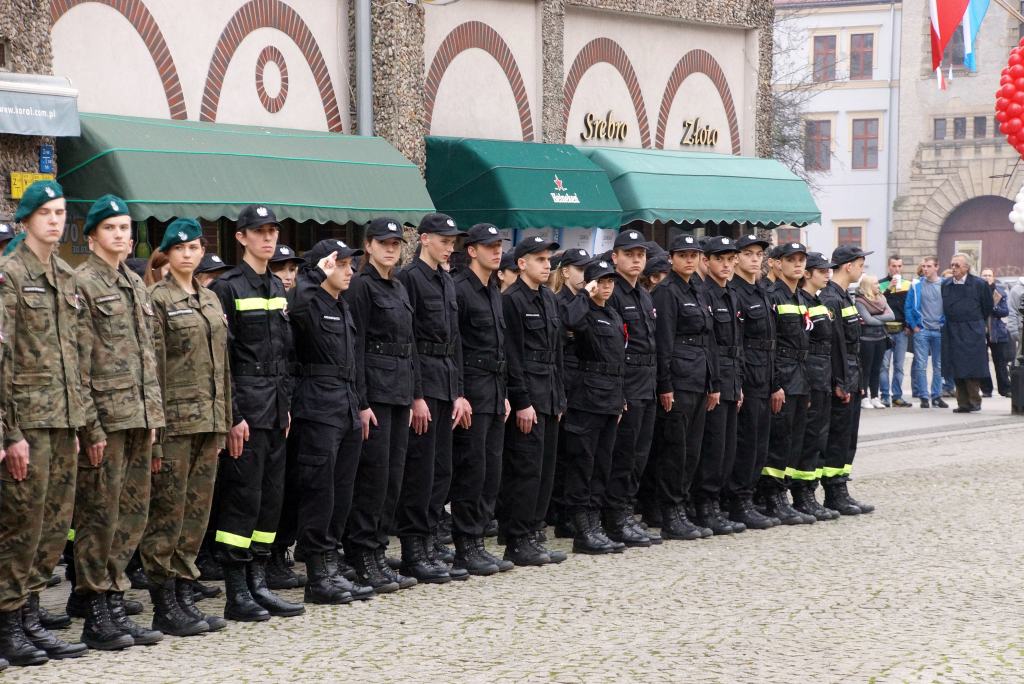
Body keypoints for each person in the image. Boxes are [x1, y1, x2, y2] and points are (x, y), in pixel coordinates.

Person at [0, 180, 87, 667]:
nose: (55, 221)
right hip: (27, 422)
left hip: (61, 420)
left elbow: (74, 356)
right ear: (26, 219)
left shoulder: (65, 276)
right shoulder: (9, 274)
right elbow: (3, 360)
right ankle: (8, 624)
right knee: (20, 527)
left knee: (52, 527)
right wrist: (9, 432)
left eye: (60, 213)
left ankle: (30, 617)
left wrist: (77, 424)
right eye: (46, 213)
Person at [72, 194, 165, 650]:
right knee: (99, 516)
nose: (121, 235)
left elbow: (149, 358)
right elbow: (78, 362)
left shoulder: (135, 284)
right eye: (111, 228)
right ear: (92, 235)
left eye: (126, 228)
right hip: (106, 421)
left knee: (132, 515)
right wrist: (89, 427)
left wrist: (154, 417)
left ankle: (114, 598)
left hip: (138, 417)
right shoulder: (82, 283)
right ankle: (94, 609)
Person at [208, 204, 303, 622]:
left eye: (272, 231)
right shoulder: (227, 288)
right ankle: (236, 591)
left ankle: (259, 583)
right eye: (259, 231)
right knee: (241, 499)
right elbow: (222, 359)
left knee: (270, 499)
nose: (268, 238)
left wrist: (286, 406)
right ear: (241, 237)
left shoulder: (277, 287)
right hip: (246, 408)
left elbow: (285, 354)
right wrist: (232, 416)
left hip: (275, 409)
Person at [140, 219, 230, 636]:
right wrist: (156, 435)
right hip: (175, 423)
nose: (188, 254)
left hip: (208, 421)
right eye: (180, 249)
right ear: (168, 254)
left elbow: (222, 366)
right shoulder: (156, 299)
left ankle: (183, 594)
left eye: (194, 247)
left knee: (196, 514)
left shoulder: (210, 298)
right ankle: (164, 603)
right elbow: (153, 369)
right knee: (168, 513)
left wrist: (223, 421)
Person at [283, 238, 378, 604]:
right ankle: (317, 576)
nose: (349, 271)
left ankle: (331, 566)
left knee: (341, 491)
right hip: (318, 406)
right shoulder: (309, 301)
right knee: (319, 492)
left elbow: (355, 359)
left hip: (346, 405)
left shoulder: (343, 304)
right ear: (324, 266)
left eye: (351, 265)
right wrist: (313, 275)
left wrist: (361, 404)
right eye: (341, 264)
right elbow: (295, 307)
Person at [342, 218, 419, 591]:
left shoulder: (399, 286)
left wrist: (414, 394)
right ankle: (361, 554)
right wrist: (361, 400)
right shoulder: (361, 286)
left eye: (396, 243)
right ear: (369, 246)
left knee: (392, 478)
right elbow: (355, 346)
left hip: (399, 392)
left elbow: (409, 344)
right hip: (375, 394)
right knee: (372, 479)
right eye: (384, 243)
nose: (391, 249)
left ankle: (377, 550)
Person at [395, 213, 472, 582]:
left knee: (441, 470)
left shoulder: (446, 279)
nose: (449, 247)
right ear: (424, 239)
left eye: (452, 241)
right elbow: (407, 339)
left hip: (445, 380)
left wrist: (459, 392)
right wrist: (417, 394)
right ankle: (414, 548)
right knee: (420, 471)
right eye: (444, 240)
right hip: (423, 381)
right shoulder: (410, 278)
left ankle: (429, 540)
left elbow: (455, 341)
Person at [449, 224, 514, 576]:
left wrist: (504, 394)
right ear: (472, 250)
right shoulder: (460, 288)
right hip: (472, 390)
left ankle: (478, 542)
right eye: (489, 246)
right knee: (471, 471)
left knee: (491, 471)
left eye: (499, 245)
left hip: (494, 390)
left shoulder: (493, 289)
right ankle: (465, 544)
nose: (497, 251)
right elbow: (455, 346)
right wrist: (459, 393)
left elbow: (499, 346)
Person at [499, 236, 566, 565]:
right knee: (524, 470)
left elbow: (557, 352)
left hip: (550, 394)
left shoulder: (549, 299)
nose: (546, 265)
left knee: (545, 470)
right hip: (528, 395)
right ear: (522, 263)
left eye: (548, 259)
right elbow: (511, 356)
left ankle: (534, 532)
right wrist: (522, 400)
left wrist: (560, 396)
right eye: (539, 259)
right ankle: (517, 538)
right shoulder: (511, 300)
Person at [649, 234, 719, 540]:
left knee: (692, 449)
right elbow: (663, 342)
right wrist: (665, 384)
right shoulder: (666, 292)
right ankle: (670, 512)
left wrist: (714, 382)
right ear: (671, 258)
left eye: (694, 255)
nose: (689, 260)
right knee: (675, 450)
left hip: (699, 377)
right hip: (678, 379)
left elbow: (709, 339)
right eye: (683, 255)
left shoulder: (699, 289)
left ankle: (682, 506)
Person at [560, 258, 626, 554]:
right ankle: (582, 529)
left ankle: (595, 524)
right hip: (587, 397)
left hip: (611, 396)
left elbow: (617, 358)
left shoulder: (612, 313)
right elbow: (569, 322)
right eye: (601, 281)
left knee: (601, 465)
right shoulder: (583, 309)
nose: (607, 286)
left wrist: (621, 397)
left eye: (610, 281)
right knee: (582, 463)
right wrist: (585, 294)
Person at [604, 231, 660, 547]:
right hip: (626, 381)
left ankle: (627, 512)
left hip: (647, 380)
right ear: (615, 257)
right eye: (629, 254)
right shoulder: (612, 292)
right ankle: (614, 518)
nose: (637, 260)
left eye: (640, 254)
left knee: (640, 454)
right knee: (623, 454)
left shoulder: (644, 294)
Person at [757, 242, 814, 526]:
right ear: (777, 263)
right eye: (791, 260)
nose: (798, 264)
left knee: (794, 440)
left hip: (800, 375)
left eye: (801, 259)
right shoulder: (772, 295)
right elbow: (772, 344)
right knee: (778, 440)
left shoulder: (800, 297)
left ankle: (784, 492)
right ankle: (772, 497)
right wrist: (775, 383)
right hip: (783, 375)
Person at [724, 234, 778, 531]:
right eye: (748, 254)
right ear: (736, 259)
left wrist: (775, 381)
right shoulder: (735, 292)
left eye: (759, 254)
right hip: (747, 375)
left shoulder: (762, 291)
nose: (755, 259)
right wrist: (740, 382)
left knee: (759, 442)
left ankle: (751, 495)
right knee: (745, 441)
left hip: (765, 374)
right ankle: (738, 500)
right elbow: (738, 342)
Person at [692, 236, 745, 535]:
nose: (726, 265)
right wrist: (714, 382)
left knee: (727, 448)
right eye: (719, 259)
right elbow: (709, 344)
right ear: (707, 261)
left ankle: (717, 504)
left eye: (729, 260)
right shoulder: (704, 294)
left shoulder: (731, 293)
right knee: (712, 448)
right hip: (714, 379)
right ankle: (705, 506)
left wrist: (738, 383)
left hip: (731, 377)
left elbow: (737, 344)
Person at [820, 245, 874, 515]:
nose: (862, 269)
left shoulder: (844, 297)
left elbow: (852, 346)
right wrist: (839, 382)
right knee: (838, 437)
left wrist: (858, 381)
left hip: (852, 375)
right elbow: (834, 347)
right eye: (860, 264)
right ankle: (833, 492)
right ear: (848, 266)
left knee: (848, 438)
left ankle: (841, 486)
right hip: (841, 378)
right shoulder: (830, 298)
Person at [790, 252, 840, 521]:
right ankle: (802, 494)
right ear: (807, 274)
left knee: (819, 437)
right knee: (808, 438)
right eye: (821, 271)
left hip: (823, 374)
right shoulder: (802, 302)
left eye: (828, 270)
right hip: (810, 374)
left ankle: (811, 489)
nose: (827, 275)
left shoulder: (819, 302)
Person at [549, 247, 589, 537]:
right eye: (580, 269)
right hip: (567, 379)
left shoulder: (583, 299)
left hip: (583, 380)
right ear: (565, 272)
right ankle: (558, 511)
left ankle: (567, 511)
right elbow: (569, 327)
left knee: (577, 451)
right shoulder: (560, 300)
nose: (586, 275)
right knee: (564, 450)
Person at [942, 254, 993, 412]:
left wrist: (977, 322)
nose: (953, 268)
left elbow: (987, 306)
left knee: (972, 366)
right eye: (952, 265)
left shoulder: (979, 284)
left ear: (966, 267)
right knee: (957, 366)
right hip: (953, 328)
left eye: (957, 265)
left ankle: (974, 400)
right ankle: (962, 403)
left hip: (972, 329)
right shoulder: (946, 284)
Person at [905, 257, 947, 409]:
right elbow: (908, 306)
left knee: (939, 365)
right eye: (923, 266)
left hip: (939, 329)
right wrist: (914, 325)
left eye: (929, 266)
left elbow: (950, 305)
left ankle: (937, 396)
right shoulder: (916, 285)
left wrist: (945, 324)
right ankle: (923, 396)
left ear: (937, 267)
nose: (925, 269)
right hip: (922, 330)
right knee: (921, 365)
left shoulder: (944, 284)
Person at [854, 274, 895, 410]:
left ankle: (875, 397)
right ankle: (864, 397)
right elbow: (868, 320)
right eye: (876, 284)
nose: (879, 286)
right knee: (866, 369)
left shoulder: (881, 298)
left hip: (881, 338)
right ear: (868, 286)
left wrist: (874, 318)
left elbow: (892, 316)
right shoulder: (860, 301)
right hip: (866, 339)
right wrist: (881, 318)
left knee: (877, 369)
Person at [879, 255, 912, 407]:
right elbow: (878, 304)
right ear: (889, 267)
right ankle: (885, 396)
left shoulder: (907, 284)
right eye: (894, 266)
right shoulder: (881, 284)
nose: (897, 269)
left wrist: (909, 326)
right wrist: (888, 288)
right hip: (885, 329)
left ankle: (897, 396)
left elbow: (909, 307)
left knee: (899, 366)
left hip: (901, 330)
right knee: (884, 365)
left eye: (899, 266)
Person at [979, 269, 1011, 397]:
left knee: (1000, 362)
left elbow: (1005, 311)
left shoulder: (1000, 292)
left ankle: (1005, 389)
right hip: (980, 330)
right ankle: (986, 389)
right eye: (984, 275)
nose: (987, 277)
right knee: (982, 362)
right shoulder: (977, 291)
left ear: (993, 277)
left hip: (997, 331)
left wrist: (992, 306)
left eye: (989, 275)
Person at [1007, 276, 1024, 359]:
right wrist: (1013, 330)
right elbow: (1012, 311)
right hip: (1022, 330)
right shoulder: (1016, 290)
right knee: (1020, 359)